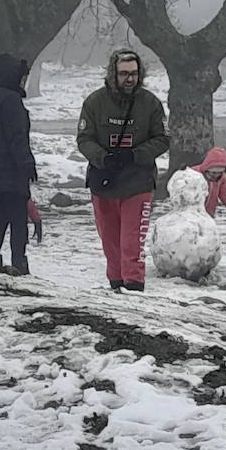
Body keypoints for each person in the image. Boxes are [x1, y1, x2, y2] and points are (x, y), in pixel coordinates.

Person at [76, 49, 169, 292]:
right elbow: (84, 139)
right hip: (104, 181)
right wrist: (103, 158)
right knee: (110, 242)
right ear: (112, 74)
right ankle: (115, 286)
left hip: (138, 182)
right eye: (124, 74)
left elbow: (163, 138)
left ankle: (134, 287)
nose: (129, 79)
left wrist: (134, 155)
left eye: (134, 74)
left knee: (131, 242)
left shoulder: (150, 104)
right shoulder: (94, 103)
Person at [0, 53, 39, 274]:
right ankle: (19, 261)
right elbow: (17, 137)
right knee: (17, 218)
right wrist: (27, 163)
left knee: (0, 216)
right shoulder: (12, 101)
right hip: (12, 169)